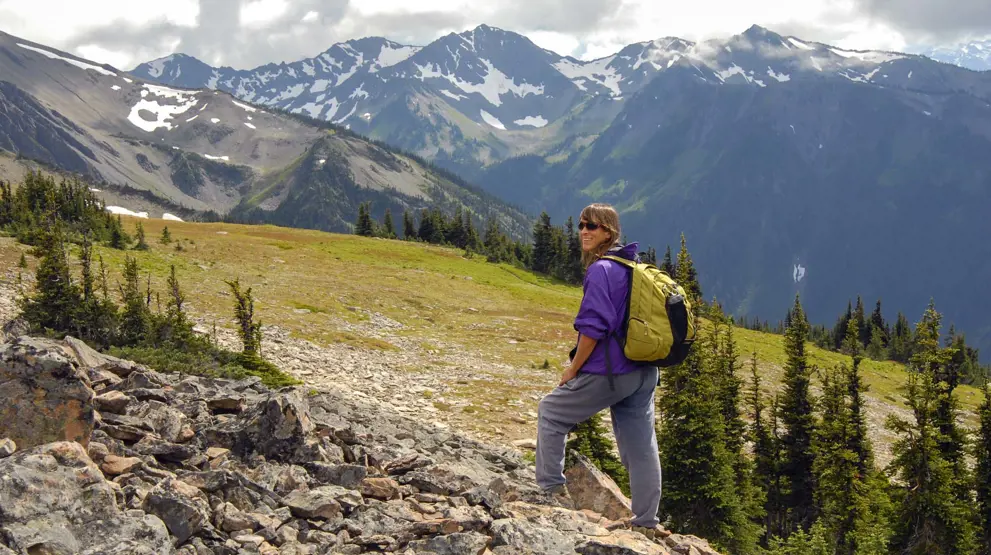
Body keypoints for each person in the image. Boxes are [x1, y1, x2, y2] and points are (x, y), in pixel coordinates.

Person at [535, 202, 669, 540]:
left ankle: (549, 491)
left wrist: (572, 369)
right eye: (581, 224)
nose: (584, 231)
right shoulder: (632, 265)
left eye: (592, 226)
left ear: (608, 232)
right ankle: (646, 521)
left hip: (612, 371)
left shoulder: (600, 270)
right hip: (644, 371)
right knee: (641, 447)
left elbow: (593, 329)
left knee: (550, 411)